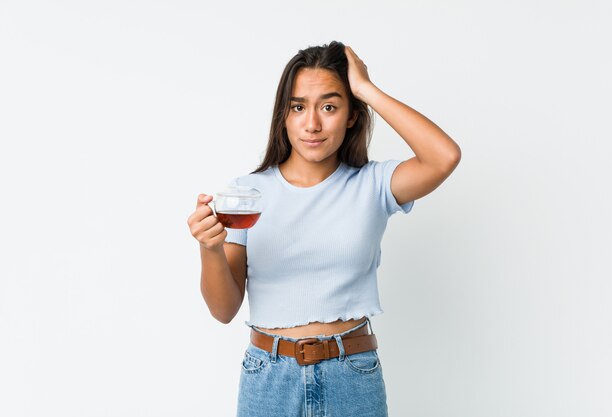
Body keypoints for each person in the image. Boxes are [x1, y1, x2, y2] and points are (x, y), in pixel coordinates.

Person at [187, 41, 461, 417]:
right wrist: (209, 247)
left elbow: (444, 156)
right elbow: (223, 309)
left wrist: (366, 89)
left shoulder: (373, 184)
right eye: (298, 107)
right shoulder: (247, 193)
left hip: (351, 374)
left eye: (329, 106)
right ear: (284, 114)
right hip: (268, 377)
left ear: (351, 115)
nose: (312, 123)